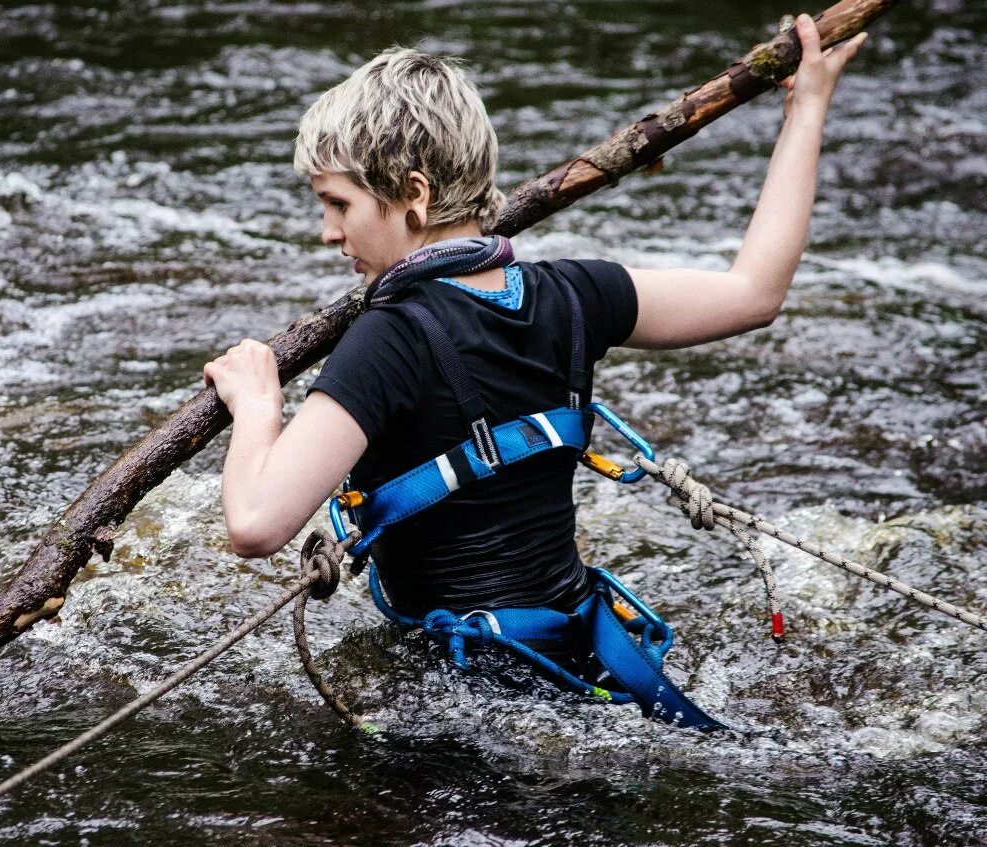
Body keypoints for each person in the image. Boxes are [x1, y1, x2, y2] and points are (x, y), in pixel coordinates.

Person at [204, 17, 867, 621]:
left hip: (454, 697)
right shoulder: (572, 294)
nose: (326, 232)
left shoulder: (387, 341)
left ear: (413, 193)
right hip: (578, 650)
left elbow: (256, 524)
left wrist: (260, 403)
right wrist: (806, 109)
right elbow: (753, 292)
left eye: (337, 204)